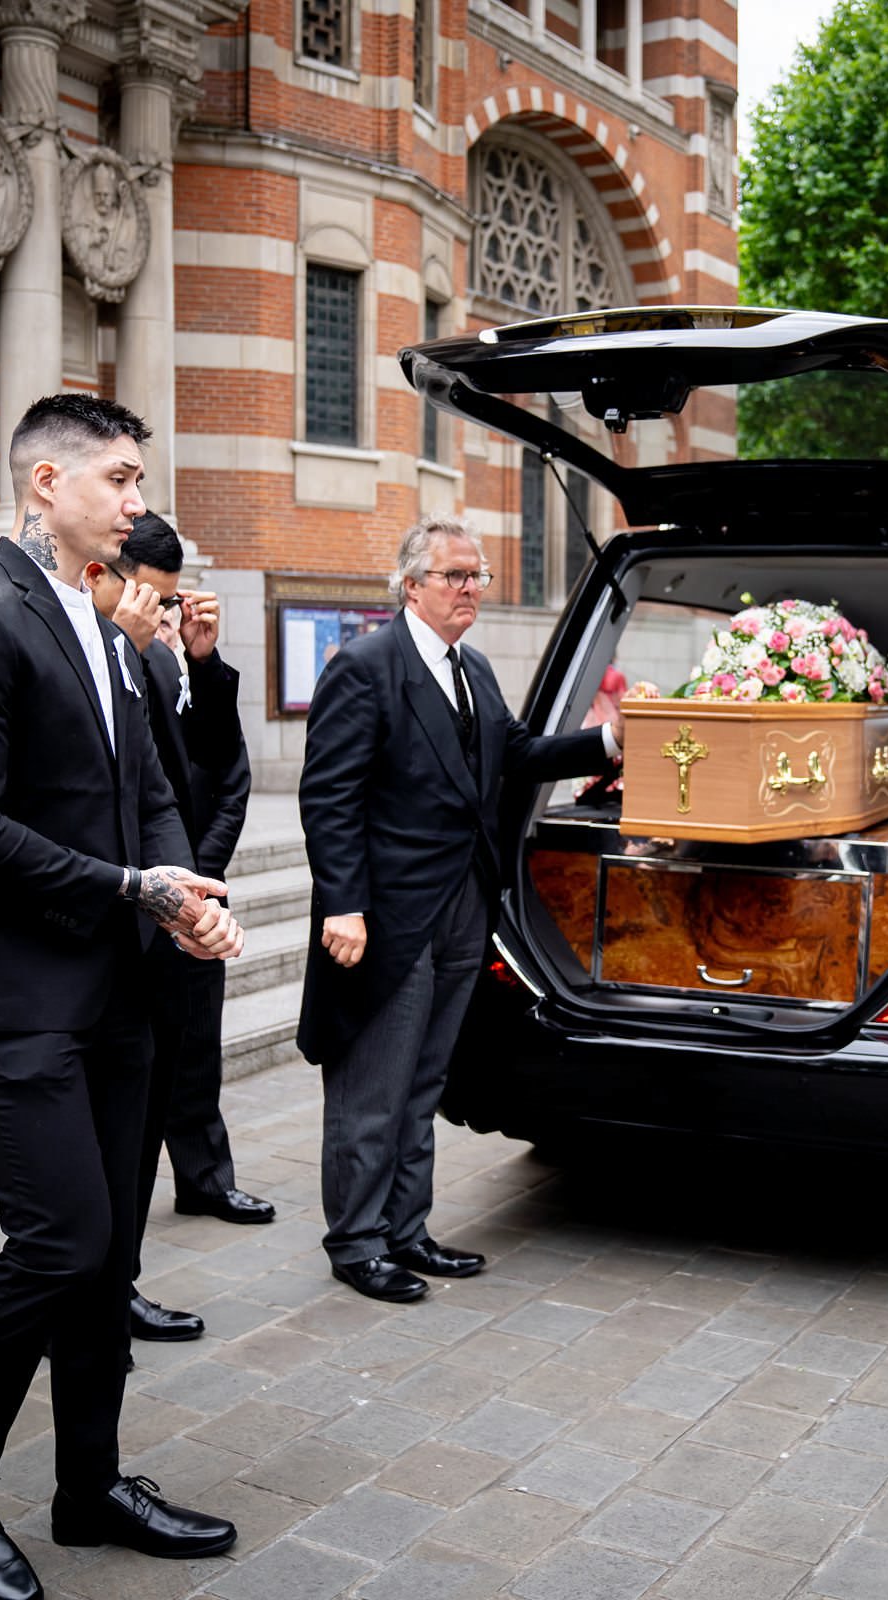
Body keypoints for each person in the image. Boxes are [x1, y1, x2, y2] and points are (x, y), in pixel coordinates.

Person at [0, 394, 245, 1600]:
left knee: (107, 1261)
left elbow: (145, 789)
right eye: (120, 478)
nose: (139, 500)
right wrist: (130, 884)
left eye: (139, 479)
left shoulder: (111, 631)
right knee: (60, 1243)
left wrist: (182, 896)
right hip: (3, 996)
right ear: (44, 484)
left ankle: (88, 1486)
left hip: (112, 992)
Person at [298, 514, 619, 1303]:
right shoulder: (365, 666)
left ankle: (406, 1231)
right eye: (457, 576)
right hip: (387, 916)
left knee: (423, 1081)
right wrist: (343, 904)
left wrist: (606, 745)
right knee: (373, 1085)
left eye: (478, 576)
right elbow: (329, 796)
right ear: (412, 586)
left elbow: (512, 754)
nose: (473, 588)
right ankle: (357, 1240)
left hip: (462, 907)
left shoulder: (470, 667)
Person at [81, 511, 273, 1360]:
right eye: (152, 602)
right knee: (121, 1116)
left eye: (167, 603)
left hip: (175, 893)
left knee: (176, 1071)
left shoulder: (156, 659)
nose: (160, 619)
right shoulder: (90, 656)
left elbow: (208, 771)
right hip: (117, 913)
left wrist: (194, 879)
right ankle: (101, 1287)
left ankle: (119, 1272)